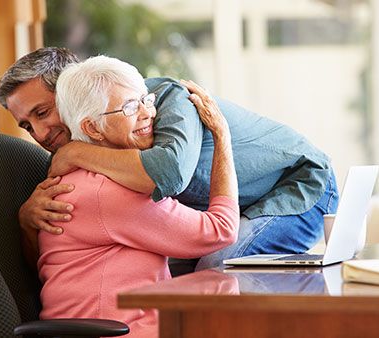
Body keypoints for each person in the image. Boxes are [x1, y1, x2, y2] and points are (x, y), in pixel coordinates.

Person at [0, 47, 339, 274]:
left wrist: (74, 151)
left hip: (299, 186)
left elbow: (168, 174)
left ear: (74, 90)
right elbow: (52, 261)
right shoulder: (88, 162)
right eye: (26, 125)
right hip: (223, 216)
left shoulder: (163, 100)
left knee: (216, 268)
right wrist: (27, 221)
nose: (39, 134)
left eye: (43, 112)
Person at [39, 55, 239, 337]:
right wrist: (222, 136)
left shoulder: (88, 179)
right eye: (130, 107)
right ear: (92, 128)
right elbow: (220, 230)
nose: (148, 113)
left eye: (146, 99)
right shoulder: (107, 192)